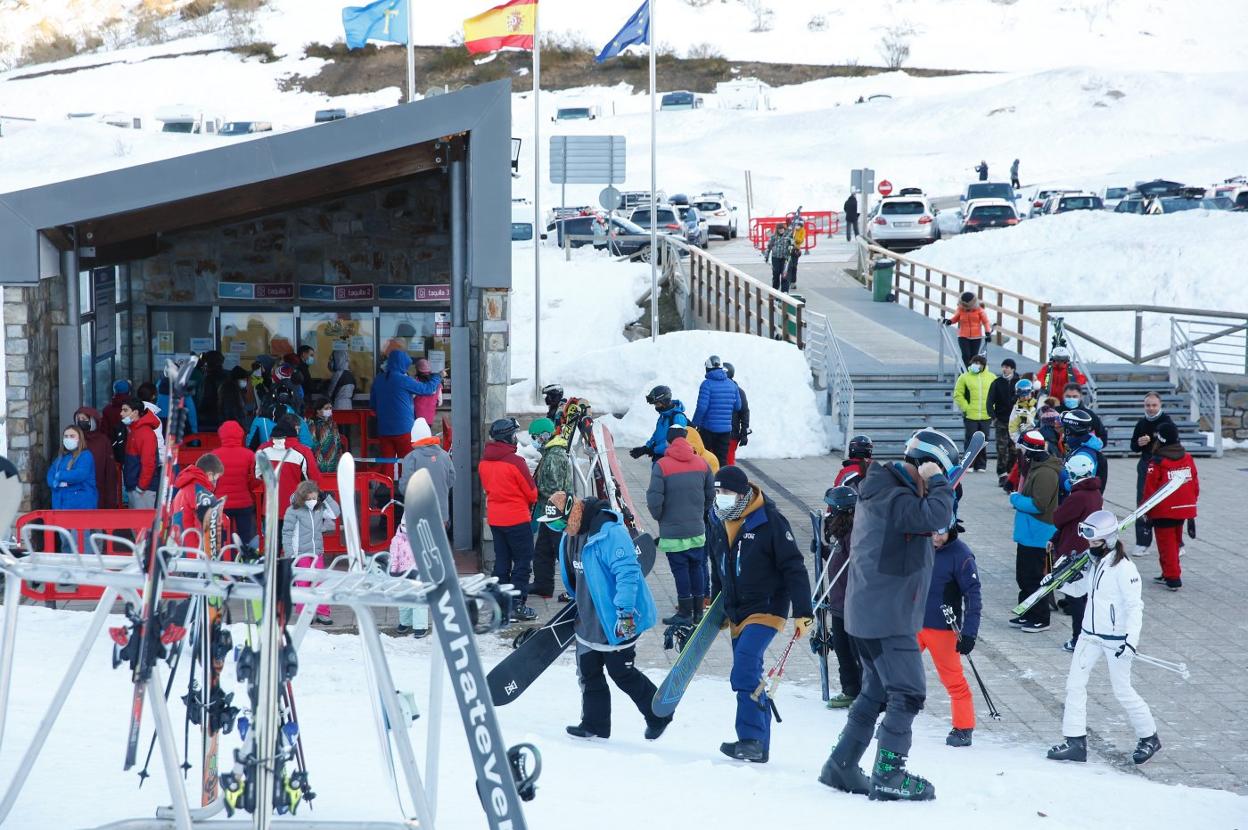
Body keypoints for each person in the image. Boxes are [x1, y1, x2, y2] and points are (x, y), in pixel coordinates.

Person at [818, 428, 956, 801]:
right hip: (888, 618)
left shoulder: (884, 490)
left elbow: (936, 515)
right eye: (933, 472)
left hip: (871, 614)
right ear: (925, 466)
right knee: (908, 693)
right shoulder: (896, 498)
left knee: (876, 691)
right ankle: (889, 773)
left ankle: (842, 763)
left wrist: (938, 483)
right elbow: (938, 514)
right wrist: (938, 481)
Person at [708, 465, 813, 764]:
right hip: (738, 609)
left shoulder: (770, 521)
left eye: (726, 492)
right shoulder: (716, 519)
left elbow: (794, 566)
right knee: (750, 674)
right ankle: (759, 746)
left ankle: (751, 739)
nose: (721, 497)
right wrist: (718, 605)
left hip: (767, 608)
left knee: (744, 668)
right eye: (717, 492)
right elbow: (718, 565)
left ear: (742, 494)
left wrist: (803, 612)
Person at [548, 492, 669, 741]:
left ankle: (659, 715)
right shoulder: (570, 537)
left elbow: (628, 573)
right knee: (589, 672)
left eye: (559, 523)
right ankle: (594, 725)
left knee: (622, 673)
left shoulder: (610, 534)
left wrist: (624, 613)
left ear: (572, 514)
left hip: (617, 620)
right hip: (589, 619)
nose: (557, 529)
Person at [1046, 510, 1161, 766]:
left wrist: (1131, 641)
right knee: (1074, 686)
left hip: (1116, 638)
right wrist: (1060, 581)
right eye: (1089, 541)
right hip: (1089, 635)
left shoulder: (1124, 569)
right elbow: (1080, 590)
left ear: (1108, 540)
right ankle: (1075, 741)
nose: (1090, 545)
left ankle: (1149, 737)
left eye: (1095, 542)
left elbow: (1135, 607)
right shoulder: (1094, 561)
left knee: (1122, 690)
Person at [918, 523, 981, 747]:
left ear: (951, 529)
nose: (935, 537)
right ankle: (894, 719)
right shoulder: (919, 544)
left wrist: (970, 633)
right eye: (931, 531)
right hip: (913, 623)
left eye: (940, 532)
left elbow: (973, 596)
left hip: (942, 629)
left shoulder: (961, 555)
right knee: (895, 671)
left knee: (953, 679)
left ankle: (963, 727)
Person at [646, 425, 714, 626]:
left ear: (669, 441)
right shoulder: (702, 464)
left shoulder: (662, 465)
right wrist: (700, 513)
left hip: (673, 531)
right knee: (697, 567)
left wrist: (660, 518)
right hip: (697, 529)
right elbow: (710, 494)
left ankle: (685, 612)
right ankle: (698, 612)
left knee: (680, 570)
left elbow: (654, 499)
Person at [480, 418, 539, 622]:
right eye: (514, 434)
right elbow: (532, 493)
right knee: (522, 563)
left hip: (496, 519)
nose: (515, 438)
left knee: (501, 562)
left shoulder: (484, 462)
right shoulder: (516, 462)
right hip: (517, 519)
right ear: (507, 437)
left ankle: (500, 604)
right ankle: (516, 606)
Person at [1008, 430, 1062, 633]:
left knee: (1033, 577)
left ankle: (1040, 618)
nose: (1020, 452)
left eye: (1022, 448)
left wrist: (1015, 499)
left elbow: (1039, 504)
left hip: (1038, 535)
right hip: (1029, 534)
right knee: (1023, 576)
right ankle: (1027, 611)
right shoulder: (1037, 467)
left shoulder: (1046, 472)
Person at [1050, 454, 1103, 652]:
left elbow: (1059, 518)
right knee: (1086, 596)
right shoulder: (1095, 492)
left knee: (1076, 597)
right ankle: (1089, 633)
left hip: (1074, 550)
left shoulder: (1078, 496)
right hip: (1088, 547)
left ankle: (1078, 637)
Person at [816, 486, 861, 709]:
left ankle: (866, 693)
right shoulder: (842, 533)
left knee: (856, 651)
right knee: (842, 649)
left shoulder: (855, 534)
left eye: (831, 509)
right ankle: (850, 690)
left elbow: (854, 563)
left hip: (854, 605)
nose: (828, 513)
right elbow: (837, 559)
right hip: (839, 602)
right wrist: (823, 552)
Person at [1142, 421, 1198, 591]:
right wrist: (1191, 502)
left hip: (1164, 510)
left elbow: (1150, 489)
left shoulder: (1158, 461)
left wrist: (1145, 509)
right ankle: (1167, 572)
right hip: (1183, 508)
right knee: (1175, 541)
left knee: (1166, 544)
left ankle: (1173, 577)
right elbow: (1194, 482)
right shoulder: (1187, 456)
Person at [282, 479, 339, 625]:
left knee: (319, 582)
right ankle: (304, 614)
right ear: (302, 497)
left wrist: (328, 498)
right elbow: (287, 532)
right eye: (309, 499)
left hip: (317, 552)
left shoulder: (319, 509)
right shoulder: (293, 511)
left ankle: (322, 612)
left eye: (314, 498)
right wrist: (289, 553)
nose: (312, 501)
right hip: (300, 554)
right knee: (303, 583)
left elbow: (335, 513)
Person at [526, 418, 571, 601]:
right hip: (548, 511)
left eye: (535, 437)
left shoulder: (554, 456)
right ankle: (543, 584)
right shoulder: (550, 452)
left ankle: (576, 587)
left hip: (557, 511)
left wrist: (533, 489)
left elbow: (553, 489)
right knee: (543, 549)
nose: (534, 440)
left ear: (545, 435)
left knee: (563, 551)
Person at [371, 350, 441, 462]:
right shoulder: (404, 380)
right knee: (407, 463)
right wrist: (437, 377)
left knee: (387, 463)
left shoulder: (378, 379)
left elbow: (373, 405)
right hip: (403, 430)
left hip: (384, 429)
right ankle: (405, 480)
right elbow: (427, 389)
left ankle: (386, 480)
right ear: (402, 365)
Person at [1128, 392, 1174, 556]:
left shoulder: (1167, 422)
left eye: (1154, 405)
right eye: (1148, 405)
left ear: (1160, 405)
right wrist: (1139, 443)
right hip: (1146, 465)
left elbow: (1175, 443)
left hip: (1164, 464)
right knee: (1143, 502)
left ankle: (1177, 543)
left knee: (1166, 504)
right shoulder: (1141, 423)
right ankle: (1142, 542)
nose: (1151, 408)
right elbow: (1133, 446)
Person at [255, 418, 318, 529]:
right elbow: (313, 479)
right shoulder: (303, 451)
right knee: (295, 542)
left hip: (270, 507)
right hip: (296, 506)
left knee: (273, 544)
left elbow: (256, 476)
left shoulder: (262, 450)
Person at [215, 420, 260, 545]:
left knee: (222, 538)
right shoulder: (249, 455)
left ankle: (224, 558)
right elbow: (254, 480)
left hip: (221, 504)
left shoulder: (214, 455)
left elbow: (210, 482)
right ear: (240, 435)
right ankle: (244, 559)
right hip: (244, 502)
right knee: (245, 536)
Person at [399, 417, 454, 518]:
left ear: (413, 440)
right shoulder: (445, 456)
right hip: (442, 515)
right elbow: (451, 479)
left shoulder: (411, 458)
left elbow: (405, 488)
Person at [692, 355, 740, 466]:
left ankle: (707, 481)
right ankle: (720, 482)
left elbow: (701, 407)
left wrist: (694, 424)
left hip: (708, 429)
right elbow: (738, 406)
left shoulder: (706, 384)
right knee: (722, 459)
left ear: (707, 368)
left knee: (705, 457)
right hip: (726, 431)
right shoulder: (732, 384)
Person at [388, 516, 430, 637]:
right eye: (404, 525)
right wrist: (392, 572)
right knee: (404, 598)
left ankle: (420, 626)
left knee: (419, 599)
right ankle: (405, 622)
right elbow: (393, 557)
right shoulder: (397, 540)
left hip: (418, 573)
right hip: (402, 573)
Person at [953, 354, 994, 472]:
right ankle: (969, 463)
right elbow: (958, 394)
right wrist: (966, 407)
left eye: (979, 363)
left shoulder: (991, 377)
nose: (977, 365)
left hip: (986, 415)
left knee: (984, 439)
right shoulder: (964, 377)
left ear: (984, 365)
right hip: (971, 415)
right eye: (974, 363)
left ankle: (981, 465)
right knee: (970, 439)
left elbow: (996, 395)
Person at [170, 453, 224, 541]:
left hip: (180, 546)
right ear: (210, 475)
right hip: (194, 549)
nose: (216, 483)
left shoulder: (184, 488)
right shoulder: (201, 493)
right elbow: (207, 528)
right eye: (216, 478)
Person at [74, 407, 119, 509]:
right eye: (79, 419)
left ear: (92, 421)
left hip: (99, 488)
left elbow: (110, 471)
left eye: (84, 419)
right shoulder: (75, 439)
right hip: (78, 491)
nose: (81, 421)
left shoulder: (103, 441)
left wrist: (111, 498)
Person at [120, 399, 161, 509]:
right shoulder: (133, 430)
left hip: (143, 489)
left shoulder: (145, 433)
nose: (121, 413)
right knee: (136, 524)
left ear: (135, 412)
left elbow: (148, 463)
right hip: (136, 487)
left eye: (125, 410)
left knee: (143, 524)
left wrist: (141, 487)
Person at [47, 425, 99, 510]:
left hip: (81, 505)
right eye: (66, 436)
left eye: (72, 436)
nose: (68, 438)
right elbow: (50, 474)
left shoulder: (85, 455)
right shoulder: (61, 457)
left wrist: (59, 475)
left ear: (79, 439)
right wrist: (55, 483)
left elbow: (79, 475)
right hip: (60, 504)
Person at [630, 385, 688, 460]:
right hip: (659, 457)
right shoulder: (663, 416)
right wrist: (646, 448)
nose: (656, 407)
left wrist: (654, 450)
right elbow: (657, 435)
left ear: (665, 402)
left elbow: (676, 443)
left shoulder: (678, 418)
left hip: (669, 460)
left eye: (657, 404)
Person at [987, 360, 1020, 479]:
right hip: (1001, 420)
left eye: (1007, 367)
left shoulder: (1019, 382)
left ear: (1013, 369)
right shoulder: (997, 382)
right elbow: (989, 401)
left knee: (1014, 449)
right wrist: (994, 417)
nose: (1004, 369)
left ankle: (1011, 474)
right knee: (1001, 449)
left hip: (1016, 421)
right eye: (1003, 367)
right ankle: (1002, 474)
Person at [1061, 409, 1108, 492]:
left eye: (1064, 428)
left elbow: (1077, 484)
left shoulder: (1083, 454)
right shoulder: (1081, 446)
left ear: (1068, 430)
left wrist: (1059, 475)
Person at [944, 292, 993, 367]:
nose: (966, 309)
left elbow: (985, 322)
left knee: (974, 355)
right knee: (966, 354)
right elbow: (956, 318)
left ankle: (972, 370)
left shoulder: (980, 310)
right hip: (963, 336)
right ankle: (965, 370)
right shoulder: (960, 309)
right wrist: (950, 321)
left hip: (976, 337)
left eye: (968, 307)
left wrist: (988, 333)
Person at [308, 399, 345, 474]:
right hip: (320, 467)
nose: (329, 410)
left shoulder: (333, 424)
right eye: (326, 408)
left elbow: (338, 443)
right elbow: (314, 446)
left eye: (330, 408)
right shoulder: (312, 424)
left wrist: (339, 460)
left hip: (334, 465)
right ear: (318, 411)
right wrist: (322, 465)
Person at [724, 362, 750, 465]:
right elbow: (745, 413)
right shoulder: (739, 391)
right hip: (731, 434)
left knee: (723, 462)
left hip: (729, 435)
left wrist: (744, 433)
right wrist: (744, 433)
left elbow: (744, 413)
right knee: (727, 462)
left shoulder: (738, 392)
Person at [412, 357, 443, 428]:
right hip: (429, 418)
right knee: (426, 437)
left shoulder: (415, 383)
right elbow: (440, 402)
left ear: (417, 370)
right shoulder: (437, 383)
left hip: (416, 417)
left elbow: (410, 398)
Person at [764, 222, 795, 293]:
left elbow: (793, 244)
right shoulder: (773, 237)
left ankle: (784, 292)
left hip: (785, 258)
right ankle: (775, 291)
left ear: (784, 229)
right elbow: (768, 247)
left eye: (782, 229)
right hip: (776, 258)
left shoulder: (789, 236)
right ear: (777, 230)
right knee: (776, 274)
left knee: (785, 275)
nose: (781, 230)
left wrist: (792, 246)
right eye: (779, 229)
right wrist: (766, 256)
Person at [786, 219, 805, 287]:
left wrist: (794, 239)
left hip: (795, 250)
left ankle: (793, 282)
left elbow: (801, 240)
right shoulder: (790, 229)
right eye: (796, 225)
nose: (797, 226)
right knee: (788, 266)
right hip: (787, 249)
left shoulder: (801, 230)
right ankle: (787, 281)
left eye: (799, 225)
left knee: (794, 266)